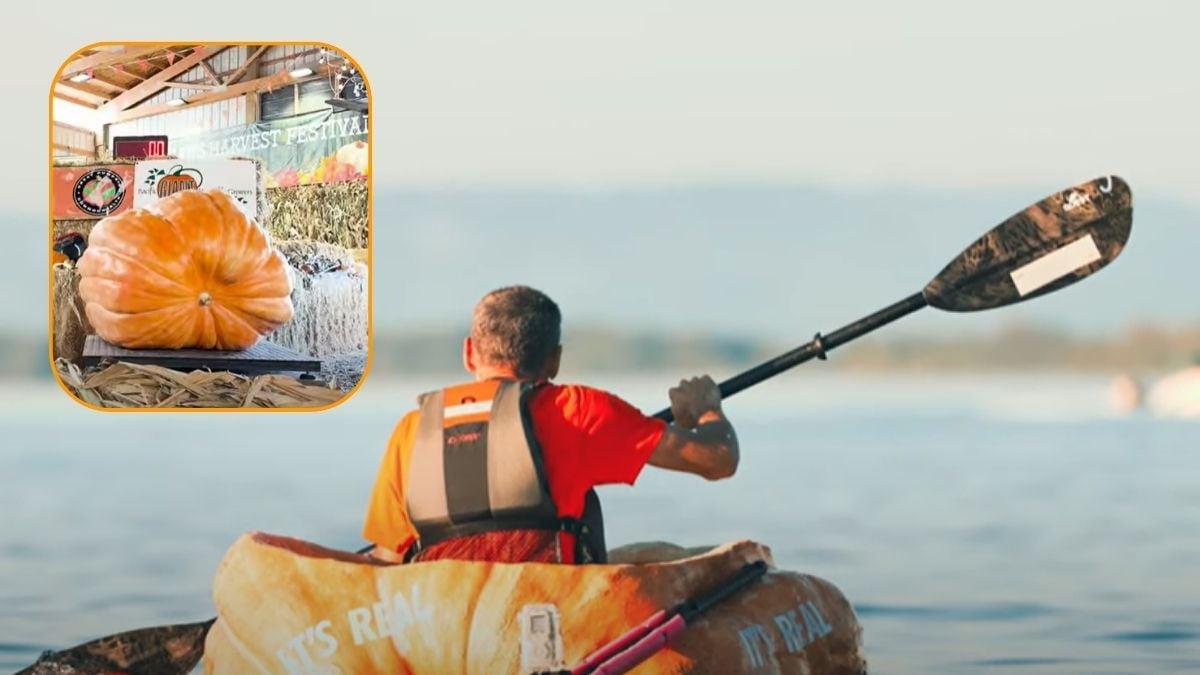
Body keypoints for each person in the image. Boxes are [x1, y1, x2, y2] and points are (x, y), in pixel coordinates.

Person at [363, 285, 739, 564]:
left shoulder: (414, 429)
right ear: (554, 361)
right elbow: (718, 459)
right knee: (704, 560)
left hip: (447, 628)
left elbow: (387, 558)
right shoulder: (579, 411)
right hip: (553, 619)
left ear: (468, 353)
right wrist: (707, 410)